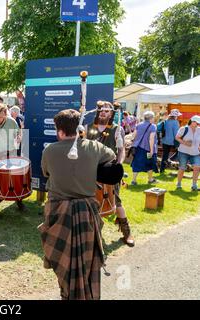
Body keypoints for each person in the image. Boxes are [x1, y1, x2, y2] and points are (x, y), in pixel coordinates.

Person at [39, 109, 116, 300]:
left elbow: (46, 173)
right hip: (86, 213)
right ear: (79, 128)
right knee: (87, 261)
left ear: (59, 130)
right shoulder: (94, 147)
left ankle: (67, 294)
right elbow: (112, 157)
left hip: (59, 212)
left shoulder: (49, 150)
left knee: (63, 261)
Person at [86, 101, 134, 247]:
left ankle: (127, 232)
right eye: (101, 110)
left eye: (106, 111)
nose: (103, 113)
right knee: (89, 200)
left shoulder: (116, 129)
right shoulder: (88, 127)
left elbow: (121, 150)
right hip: (90, 170)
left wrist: (118, 165)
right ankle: (91, 233)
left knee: (116, 201)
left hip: (109, 169)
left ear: (111, 113)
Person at [131, 111, 158, 185]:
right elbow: (151, 139)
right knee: (150, 163)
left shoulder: (139, 125)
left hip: (138, 148)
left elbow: (133, 136)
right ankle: (150, 179)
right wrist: (152, 150)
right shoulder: (153, 126)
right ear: (151, 118)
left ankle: (133, 180)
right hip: (148, 149)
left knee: (137, 163)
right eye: (153, 117)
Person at [175, 115, 200, 191]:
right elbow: (177, 137)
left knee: (197, 167)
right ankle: (179, 183)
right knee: (182, 168)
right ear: (192, 121)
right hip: (183, 152)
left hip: (195, 152)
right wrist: (185, 142)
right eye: (197, 123)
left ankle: (194, 185)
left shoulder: (199, 130)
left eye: (198, 123)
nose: (198, 124)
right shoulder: (184, 129)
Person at [157, 109, 182, 173]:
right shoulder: (175, 122)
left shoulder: (166, 121)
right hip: (172, 141)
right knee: (179, 152)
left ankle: (162, 169)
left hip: (164, 140)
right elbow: (176, 133)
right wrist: (178, 142)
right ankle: (169, 160)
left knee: (165, 155)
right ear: (175, 116)